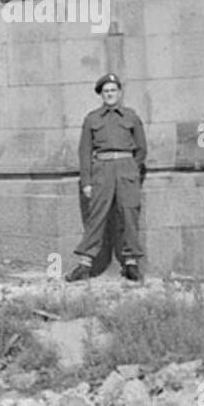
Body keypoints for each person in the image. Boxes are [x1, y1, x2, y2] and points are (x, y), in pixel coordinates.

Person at [66, 74, 147, 282]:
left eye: (113, 90)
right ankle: (84, 264)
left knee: (129, 215)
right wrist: (86, 182)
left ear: (119, 93)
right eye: (106, 91)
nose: (110, 94)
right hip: (101, 171)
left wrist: (131, 170)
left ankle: (131, 263)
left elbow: (141, 149)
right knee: (96, 217)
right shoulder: (92, 119)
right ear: (101, 95)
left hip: (126, 170)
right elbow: (84, 152)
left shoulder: (131, 116)